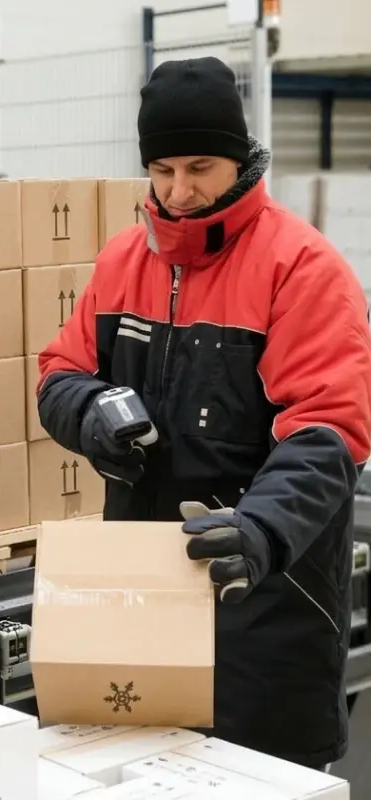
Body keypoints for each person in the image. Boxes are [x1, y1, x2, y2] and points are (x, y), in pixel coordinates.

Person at [37, 55, 371, 770]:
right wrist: (92, 408)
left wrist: (259, 528)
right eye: (161, 170)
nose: (179, 192)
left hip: (265, 608)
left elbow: (328, 429)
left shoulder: (302, 268)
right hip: (143, 600)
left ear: (241, 159)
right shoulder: (123, 260)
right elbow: (59, 371)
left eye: (200, 168)